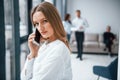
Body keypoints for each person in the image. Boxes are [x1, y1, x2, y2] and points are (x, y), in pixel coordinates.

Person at [21, 2, 72, 80]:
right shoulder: (44, 45)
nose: (40, 28)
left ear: (54, 21)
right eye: (36, 24)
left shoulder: (58, 50)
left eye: (44, 21)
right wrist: (32, 54)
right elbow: (24, 77)